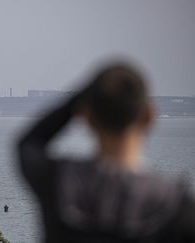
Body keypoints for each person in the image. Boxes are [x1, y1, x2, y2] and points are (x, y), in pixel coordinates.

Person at [17, 62, 195, 242]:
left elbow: (29, 143)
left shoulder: (59, 183)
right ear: (148, 116)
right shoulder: (175, 208)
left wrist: (86, 93)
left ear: (87, 118)